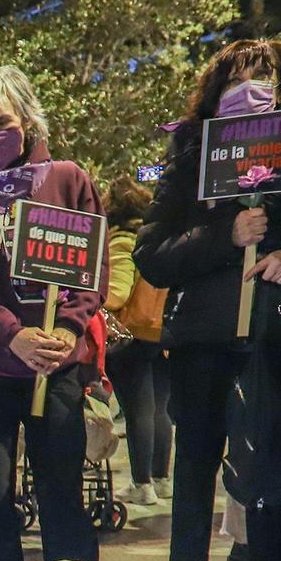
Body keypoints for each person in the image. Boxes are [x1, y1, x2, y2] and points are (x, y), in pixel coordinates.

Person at [136, 39, 281, 561]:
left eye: (264, 75)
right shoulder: (190, 159)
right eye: (239, 76)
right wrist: (224, 236)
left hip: (272, 336)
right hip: (202, 339)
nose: (252, 86)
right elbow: (153, 254)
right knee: (196, 456)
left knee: (266, 451)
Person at [0, 67, 122, 561]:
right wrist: (12, 335)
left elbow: (93, 270)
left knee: (61, 490)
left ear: (26, 120)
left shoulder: (70, 180)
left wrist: (69, 329)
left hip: (59, 367)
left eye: (1, 123)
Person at [103, 176, 172, 508]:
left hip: (130, 335)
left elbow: (117, 291)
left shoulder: (121, 241)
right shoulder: (154, 238)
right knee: (160, 407)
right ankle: (161, 478)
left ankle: (141, 483)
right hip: (159, 331)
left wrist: (95, 303)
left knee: (137, 410)